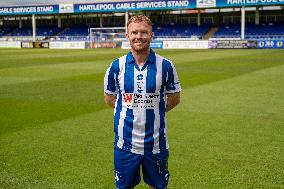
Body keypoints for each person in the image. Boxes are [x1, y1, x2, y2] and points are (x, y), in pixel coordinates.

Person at [104, 15, 181, 189]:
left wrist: (154, 110)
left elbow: (175, 98)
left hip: (156, 144)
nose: (139, 36)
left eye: (144, 32)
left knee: (158, 186)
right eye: (134, 32)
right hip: (125, 145)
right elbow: (110, 99)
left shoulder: (166, 66)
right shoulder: (116, 66)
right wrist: (130, 110)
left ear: (152, 35)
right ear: (127, 35)